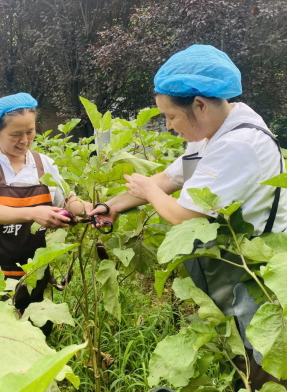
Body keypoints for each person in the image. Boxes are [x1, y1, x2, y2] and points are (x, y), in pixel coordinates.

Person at [89, 45, 287, 388]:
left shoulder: (239, 144)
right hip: (230, 266)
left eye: (171, 116)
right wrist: (112, 206)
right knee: (238, 353)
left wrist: (148, 192)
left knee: (263, 361)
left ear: (200, 105)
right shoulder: (212, 134)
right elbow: (166, 180)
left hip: (256, 273)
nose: (168, 126)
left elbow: (181, 214)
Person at [0, 93, 90, 334]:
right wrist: (33, 213)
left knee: (38, 337)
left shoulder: (43, 164)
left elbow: (67, 200)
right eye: (15, 134)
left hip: (35, 273)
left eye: (30, 132)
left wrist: (91, 209)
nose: (24, 140)